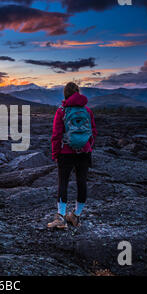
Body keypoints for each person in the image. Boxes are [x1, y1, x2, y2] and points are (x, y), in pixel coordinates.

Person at [47, 82, 97, 229]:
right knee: (82, 182)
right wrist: (88, 146)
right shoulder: (87, 110)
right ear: (78, 92)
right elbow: (93, 132)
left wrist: (55, 153)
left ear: (65, 94)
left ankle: (61, 218)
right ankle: (76, 216)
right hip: (84, 152)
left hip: (66, 152)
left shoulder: (61, 111)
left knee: (63, 182)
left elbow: (56, 135)